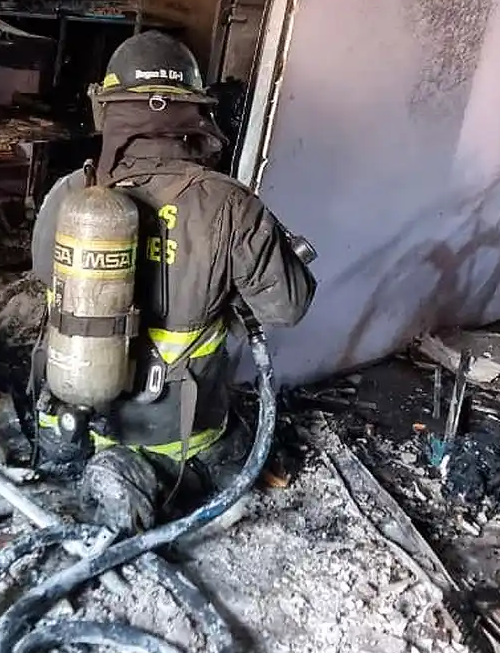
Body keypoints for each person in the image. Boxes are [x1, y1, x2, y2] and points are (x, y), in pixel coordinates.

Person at [30, 31, 316, 532]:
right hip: (174, 432)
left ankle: (87, 469)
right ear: (194, 116)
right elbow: (287, 308)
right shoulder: (228, 203)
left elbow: (42, 277)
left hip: (71, 416)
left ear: (107, 110)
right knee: (248, 445)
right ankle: (151, 480)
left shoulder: (69, 193)